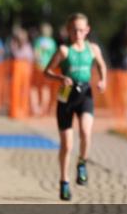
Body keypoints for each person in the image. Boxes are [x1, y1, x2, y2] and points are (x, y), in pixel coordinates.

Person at [44, 13, 107, 201]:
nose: (77, 33)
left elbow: (102, 66)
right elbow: (46, 71)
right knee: (67, 144)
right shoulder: (64, 51)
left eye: (81, 30)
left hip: (85, 95)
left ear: (87, 30)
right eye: (73, 30)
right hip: (66, 97)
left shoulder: (93, 49)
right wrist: (60, 78)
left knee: (86, 133)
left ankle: (82, 163)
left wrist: (103, 80)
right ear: (68, 31)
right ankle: (64, 181)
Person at [31, 23, 57, 116]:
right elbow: (55, 56)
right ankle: (44, 109)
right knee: (46, 88)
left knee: (34, 87)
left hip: (39, 67)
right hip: (48, 68)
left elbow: (36, 54)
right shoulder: (52, 42)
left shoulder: (39, 41)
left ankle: (36, 109)